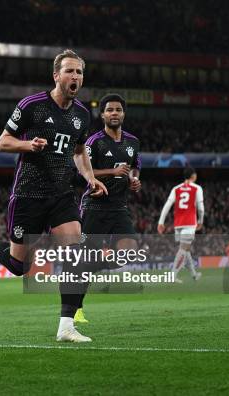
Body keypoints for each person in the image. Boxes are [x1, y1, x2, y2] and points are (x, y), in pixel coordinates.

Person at [0, 49, 106, 342]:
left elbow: (79, 151)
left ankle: (66, 326)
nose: (75, 77)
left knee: (78, 252)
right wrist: (28, 146)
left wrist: (90, 178)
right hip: (28, 194)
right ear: (56, 75)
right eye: (69, 71)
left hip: (62, 195)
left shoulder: (82, 115)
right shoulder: (32, 106)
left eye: (79, 72)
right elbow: (3, 141)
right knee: (19, 266)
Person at [76, 93, 142, 323]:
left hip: (119, 207)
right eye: (110, 110)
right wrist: (112, 173)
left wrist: (134, 180)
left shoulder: (133, 142)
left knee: (129, 251)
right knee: (84, 260)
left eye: (118, 110)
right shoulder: (93, 142)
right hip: (95, 206)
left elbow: (135, 167)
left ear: (124, 113)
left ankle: (93, 265)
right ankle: (75, 309)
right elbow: (83, 171)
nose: (114, 113)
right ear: (102, 114)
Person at [158, 167, 204, 282]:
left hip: (178, 224)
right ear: (193, 176)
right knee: (183, 249)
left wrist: (161, 222)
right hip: (189, 223)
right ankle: (173, 275)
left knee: (186, 250)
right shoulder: (197, 188)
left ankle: (194, 274)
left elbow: (167, 205)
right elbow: (201, 208)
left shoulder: (176, 188)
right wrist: (200, 221)